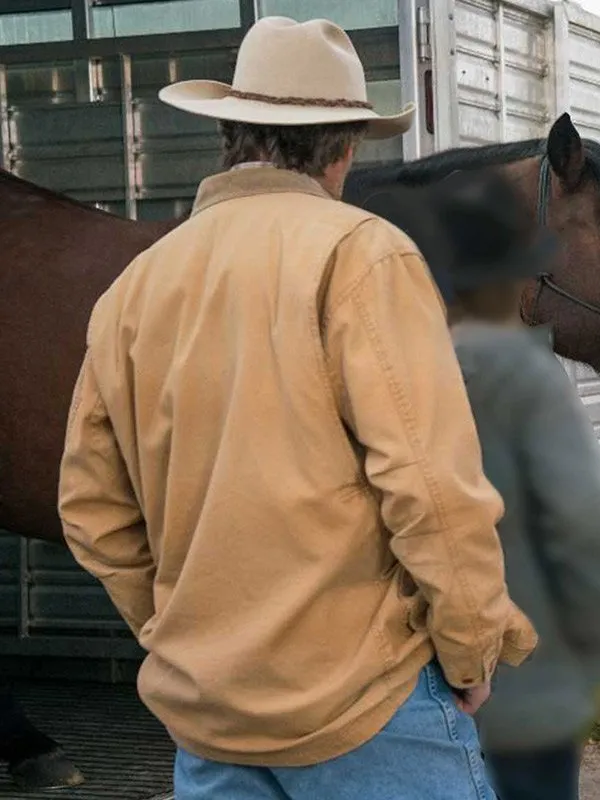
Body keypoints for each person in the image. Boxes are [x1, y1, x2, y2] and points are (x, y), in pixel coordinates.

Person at [58, 17, 536, 800]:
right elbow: (432, 489)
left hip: (210, 721)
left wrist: (185, 638)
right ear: (343, 148)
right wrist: (472, 647)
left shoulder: (134, 288)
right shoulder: (361, 253)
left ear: (230, 134)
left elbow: (90, 509)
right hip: (367, 708)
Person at [431, 169, 600, 800]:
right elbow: (577, 525)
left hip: (435, 683)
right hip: (527, 679)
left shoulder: (412, 365)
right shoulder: (527, 374)